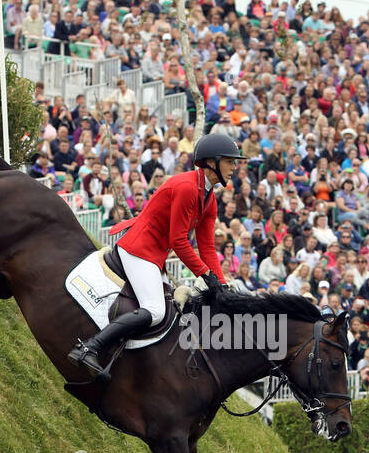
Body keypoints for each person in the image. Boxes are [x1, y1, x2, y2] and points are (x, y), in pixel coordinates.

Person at [69, 133, 246, 378]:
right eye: (230, 161)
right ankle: (91, 346)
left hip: (155, 255)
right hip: (139, 249)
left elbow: (207, 248)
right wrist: (206, 275)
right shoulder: (186, 188)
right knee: (155, 311)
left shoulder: (209, 199)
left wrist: (221, 283)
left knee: (171, 311)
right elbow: (179, 241)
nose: (235, 166)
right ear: (212, 162)